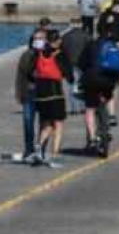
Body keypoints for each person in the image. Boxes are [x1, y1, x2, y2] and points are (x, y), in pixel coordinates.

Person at [30, 30, 73, 168]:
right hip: (55, 94)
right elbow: (69, 76)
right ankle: (53, 157)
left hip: (41, 95)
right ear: (58, 41)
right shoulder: (59, 54)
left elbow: (32, 72)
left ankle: (38, 147)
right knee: (58, 125)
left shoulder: (40, 53)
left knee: (47, 124)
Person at [78, 28, 119, 156]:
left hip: (91, 80)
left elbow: (81, 64)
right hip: (107, 81)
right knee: (109, 96)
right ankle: (111, 116)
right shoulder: (113, 46)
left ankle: (92, 138)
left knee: (90, 109)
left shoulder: (90, 45)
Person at [16, 29, 46, 163]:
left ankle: (41, 149)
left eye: (41, 38)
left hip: (46, 93)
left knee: (44, 123)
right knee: (28, 122)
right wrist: (19, 93)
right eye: (36, 38)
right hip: (29, 92)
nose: (38, 41)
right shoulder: (27, 55)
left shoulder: (48, 55)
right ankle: (29, 149)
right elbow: (21, 75)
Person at [61, 19, 91, 114]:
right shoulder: (86, 36)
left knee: (72, 86)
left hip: (70, 64)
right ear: (81, 24)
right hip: (83, 64)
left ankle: (74, 108)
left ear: (71, 24)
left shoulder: (65, 37)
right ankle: (83, 107)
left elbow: (63, 51)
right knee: (82, 86)